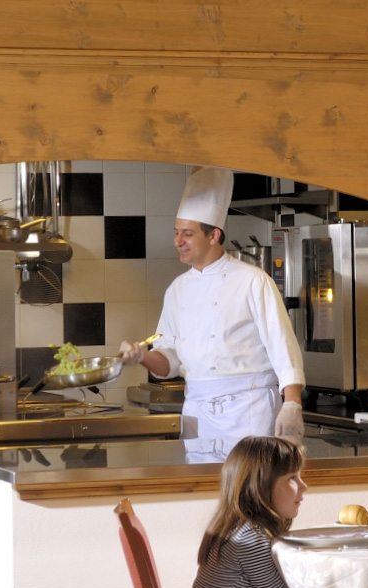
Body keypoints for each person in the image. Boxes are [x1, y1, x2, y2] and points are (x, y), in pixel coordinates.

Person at [118, 166, 305, 462]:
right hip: (199, 413)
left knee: (250, 495)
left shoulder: (252, 281)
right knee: (203, 499)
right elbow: (169, 363)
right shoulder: (177, 290)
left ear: (214, 235)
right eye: (177, 232)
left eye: (188, 234)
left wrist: (292, 402)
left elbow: (282, 346)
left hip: (249, 411)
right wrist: (142, 355)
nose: (178, 240)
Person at [186, 435, 317, 588]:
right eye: (291, 478)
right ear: (260, 486)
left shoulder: (240, 528)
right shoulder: (250, 539)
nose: (303, 486)